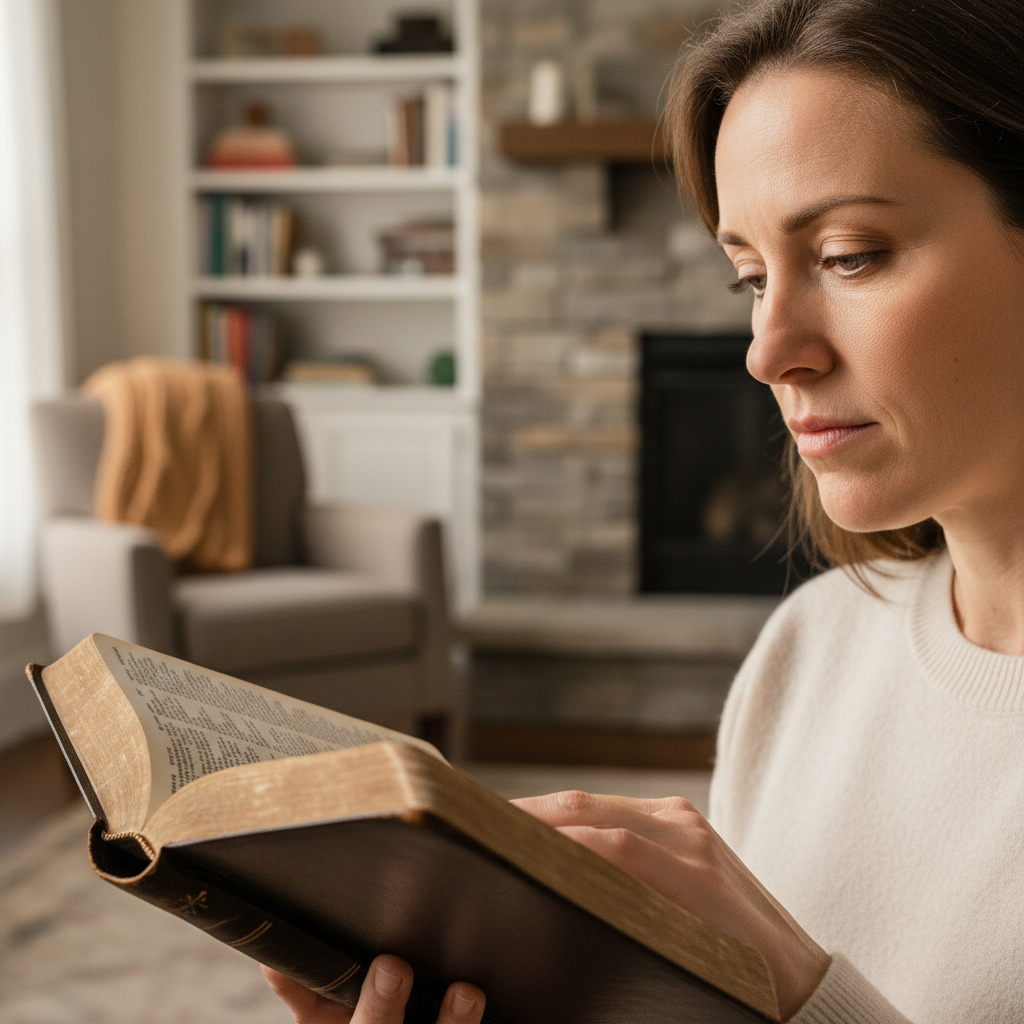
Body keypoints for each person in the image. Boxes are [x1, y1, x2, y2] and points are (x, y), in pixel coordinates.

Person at [264, 0, 1024, 1020]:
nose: (765, 350)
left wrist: (803, 996)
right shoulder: (812, 649)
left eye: (848, 254)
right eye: (748, 277)